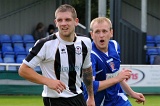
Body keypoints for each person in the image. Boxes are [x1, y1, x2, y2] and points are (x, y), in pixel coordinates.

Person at [18, 4, 95, 106]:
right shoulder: (45, 44)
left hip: (78, 97)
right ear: (56, 23)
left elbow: (87, 69)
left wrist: (91, 97)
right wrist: (48, 81)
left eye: (67, 20)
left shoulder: (85, 42)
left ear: (76, 21)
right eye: (60, 20)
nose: (63, 23)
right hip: (55, 100)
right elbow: (23, 70)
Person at [83, 17, 145, 106]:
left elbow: (116, 75)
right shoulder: (90, 55)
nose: (101, 35)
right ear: (92, 35)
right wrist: (117, 78)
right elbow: (90, 86)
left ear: (111, 32)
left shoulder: (115, 46)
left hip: (117, 98)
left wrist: (132, 93)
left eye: (104, 31)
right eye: (97, 32)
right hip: (99, 102)